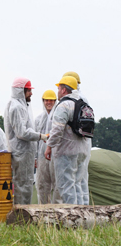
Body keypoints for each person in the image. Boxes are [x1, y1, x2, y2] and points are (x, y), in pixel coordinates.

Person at [45, 76, 89, 204]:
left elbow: (57, 130)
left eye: (58, 88)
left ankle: (73, 219)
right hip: (82, 150)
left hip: (67, 151)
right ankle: (83, 217)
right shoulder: (82, 103)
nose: (57, 91)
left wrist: (49, 146)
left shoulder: (64, 105)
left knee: (66, 186)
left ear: (64, 90)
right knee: (77, 186)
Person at [4, 77, 48, 205]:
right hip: (21, 152)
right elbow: (21, 132)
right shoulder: (17, 107)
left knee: (26, 183)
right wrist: (41, 136)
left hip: (24, 152)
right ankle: (21, 215)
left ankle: (23, 213)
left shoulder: (21, 105)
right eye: (28, 90)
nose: (31, 93)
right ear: (20, 91)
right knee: (23, 185)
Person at [63, 71, 91, 205]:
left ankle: (79, 213)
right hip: (85, 143)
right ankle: (85, 211)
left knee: (74, 181)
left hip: (74, 144)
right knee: (81, 180)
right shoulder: (83, 99)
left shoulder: (71, 101)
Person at [34, 90, 57, 204]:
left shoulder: (58, 117)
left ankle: (58, 212)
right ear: (43, 101)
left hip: (56, 155)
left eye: (51, 100)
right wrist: (35, 157)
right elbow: (34, 140)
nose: (49, 102)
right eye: (46, 100)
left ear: (55, 101)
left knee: (57, 184)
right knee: (42, 184)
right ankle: (43, 211)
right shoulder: (38, 119)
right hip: (41, 156)